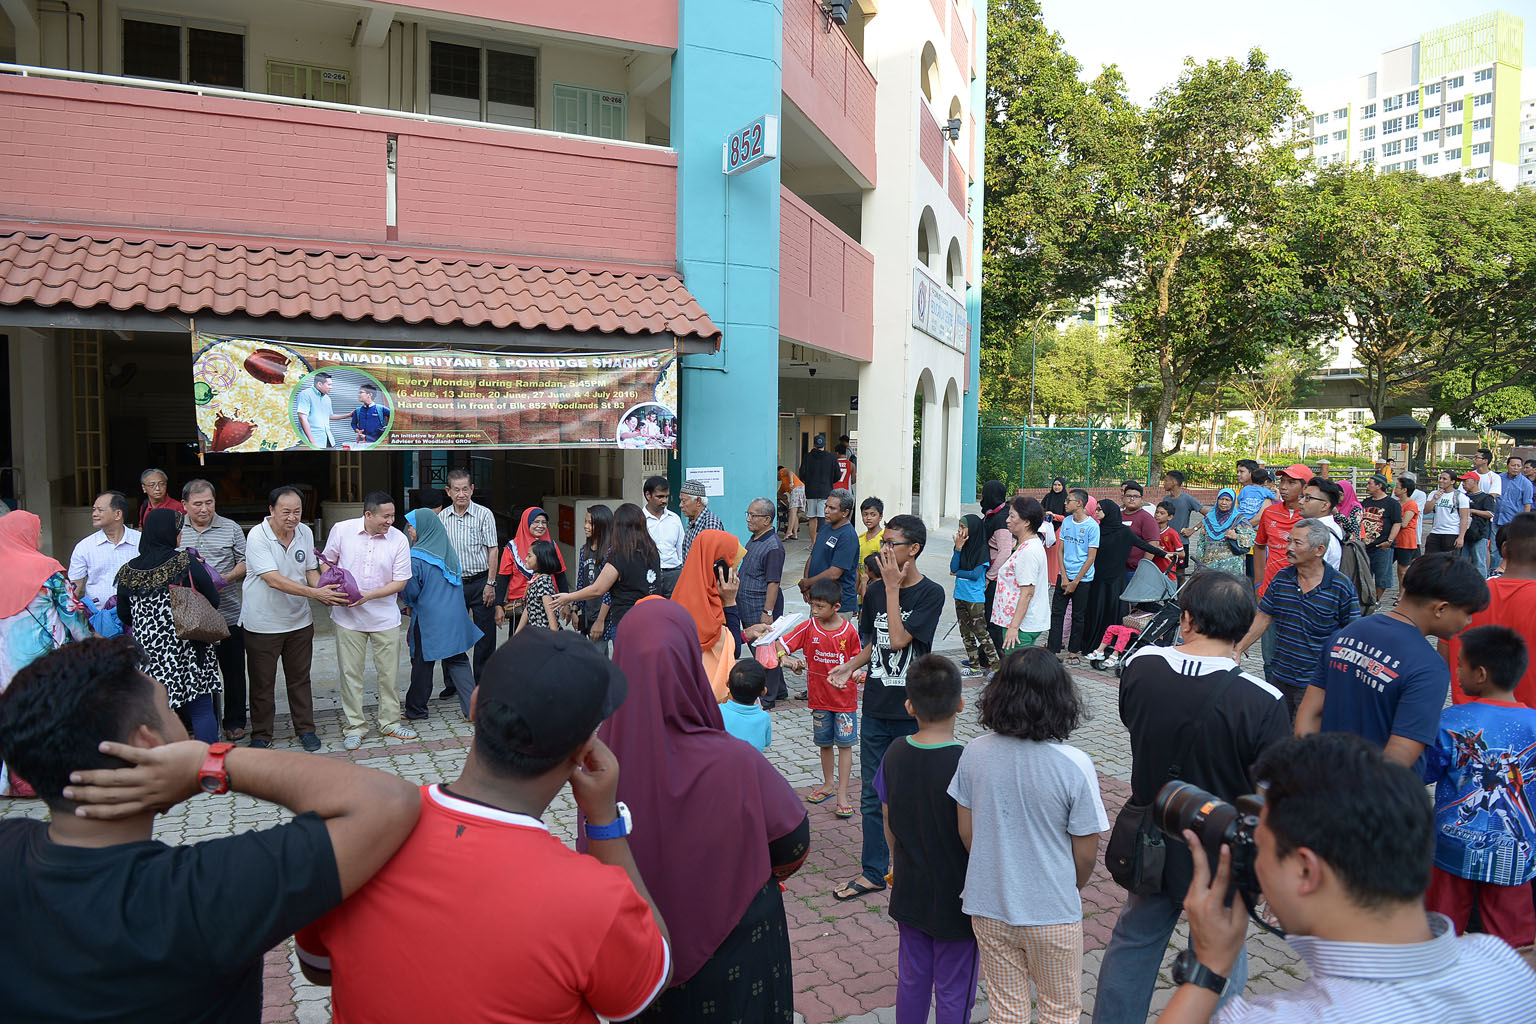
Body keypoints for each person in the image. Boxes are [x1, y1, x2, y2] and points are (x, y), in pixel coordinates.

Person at [0, 635, 421, 1022]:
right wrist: (210, 761)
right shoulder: (200, 893)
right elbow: (388, 801)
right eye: (169, 707)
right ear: (147, 744)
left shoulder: (9, 848)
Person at [295, 629, 673, 1023]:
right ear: (584, 753)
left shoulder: (351, 836)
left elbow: (317, 966)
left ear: (474, 705)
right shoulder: (595, 898)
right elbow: (646, 983)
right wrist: (604, 821)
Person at [1166, 733, 1536, 1024]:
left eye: (1260, 847)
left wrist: (1209, 969)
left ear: (1306, 871)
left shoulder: (1282, 1018)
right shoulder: (1502, 963)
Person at [589, 600, 809, 1023]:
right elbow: (793, 843)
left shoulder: (598, 768)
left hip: (643, 968)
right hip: (740, 956)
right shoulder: (736, 761)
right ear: (691, 663)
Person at [1091, 571, 1289, 1024]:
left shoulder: (1141, 666)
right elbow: (1271, 792)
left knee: (1133, 940)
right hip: (1222, 850)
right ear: (1244, 629)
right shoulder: (1264, 701)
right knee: (1220, 956)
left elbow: (1131, 724)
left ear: (1187, 619)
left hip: (1153, 835)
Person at [949, 648, 1108, 1024]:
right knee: (1060, 1011)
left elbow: (966, 832)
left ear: (998, 694)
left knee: (1006, 1012)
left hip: (988, 904)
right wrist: (1070, 884)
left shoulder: (974, 752)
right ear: (1061, 699)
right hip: (1052, 910)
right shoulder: (1075, 764)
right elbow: (1085, 853)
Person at [830, 515, 945, 902]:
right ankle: (874, 871)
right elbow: (877, 645)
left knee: (911, 796)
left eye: (891, 544)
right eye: (882, 545)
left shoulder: (931, 594)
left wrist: (893, 589)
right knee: (871, 795)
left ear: (913, 549)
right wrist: (850, 665)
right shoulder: (877, 592)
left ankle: (915, 868)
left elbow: (897, 640)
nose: (883, 551)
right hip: (878, 707)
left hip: (914, 713)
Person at [1296, 552, 1490, 767]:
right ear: (1441, 608)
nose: (1469, 621)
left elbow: (1309, 714)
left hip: (1321, 778)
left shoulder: (1348, 632)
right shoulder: (1429, 668)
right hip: (1373, 794)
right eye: (1467, 612)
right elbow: (1398, 758)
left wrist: (1311, 774)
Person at [873, 654, 976, 1024]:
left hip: (909, 886)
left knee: (913, 978)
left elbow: (887, 816)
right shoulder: (966, 762)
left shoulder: (894, 752)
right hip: (958, 894)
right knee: (955, 984)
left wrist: (895, 863)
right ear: (961, 704)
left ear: (909, 705)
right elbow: (971, 834)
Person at [1420, 625, 1535, 949]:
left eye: (1461, 664)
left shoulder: (1452, 721)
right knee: (1512, 946)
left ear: (1480, 674)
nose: (1455, 670)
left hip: (1451, 846)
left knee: (1440, 934)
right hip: (1514, 854)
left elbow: (1425, 772)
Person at [241, 486, 344, 752]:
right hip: (262, 624)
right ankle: (262, 733)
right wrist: (313, 592)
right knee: (262, 682)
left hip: (299, 622)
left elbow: (309, 568)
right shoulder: (257, 536)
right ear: (271, 510)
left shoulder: (305, 532)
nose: (292, 517)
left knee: (300, 679)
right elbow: (272, 579)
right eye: (285, 512)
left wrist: (324, 591)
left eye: (297, 511)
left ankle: (306, 729)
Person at [114, 508, 223, 744]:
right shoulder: (185, 562)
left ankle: (168, 766)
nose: (180, 535)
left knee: (159, 713)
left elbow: (124, 614)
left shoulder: (128, 572)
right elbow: (213, 599)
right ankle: (208, 765)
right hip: (190, 647)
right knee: (201, 708)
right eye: (178, 530)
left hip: (149, 654)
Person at [0, 510, 89, 796]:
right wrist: (89, 640)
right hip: (44, 658)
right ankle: (46, 776)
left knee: (14, 715)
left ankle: (17, 778)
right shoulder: (47, 569)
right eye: (37, 531)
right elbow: (72, 615)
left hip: (5, 660)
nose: (40, 536)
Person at [1235, 518, 1361, 721]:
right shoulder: (1282, 578)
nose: (1288, 548)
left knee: (1304, 740)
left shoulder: (1340, 586)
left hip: (1316, 684)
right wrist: (1238, 649)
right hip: (1280, 675)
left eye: (1297, 543)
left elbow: (1353, 637)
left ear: (1319, 550)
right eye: (1289, 541)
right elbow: (1264, 616)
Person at [323, 491, 415, 751]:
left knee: (389, 674)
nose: (390, 521)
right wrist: (331, 586)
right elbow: (327, 562)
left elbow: (401, 581)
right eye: (385, 516)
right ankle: (355, 727)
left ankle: (390, 723)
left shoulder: (398, 539)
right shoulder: (342, 530)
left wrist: (369, 596)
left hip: (385, 617)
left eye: (393, 515)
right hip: (347, 617)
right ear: (368, 514)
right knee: (351, 674)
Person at [778, 577, 862, 817]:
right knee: (824, 744)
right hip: (819, 700)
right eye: (812, 605)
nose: (814, 611)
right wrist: (789, 661)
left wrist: (855, 673)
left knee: (845, 747)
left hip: (845, 702)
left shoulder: (849, 631)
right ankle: (828, 785)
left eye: (820, 607)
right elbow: (780, 647)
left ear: (837, 607)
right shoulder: (808, 628)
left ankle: (843, 794)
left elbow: (857, 660)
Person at [178, 479, 248, 740]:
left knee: (232, 672)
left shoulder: (230, 528)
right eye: (197, 504)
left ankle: (235, 720)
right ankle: (196, 723)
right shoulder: (177, 530)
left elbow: (245, 562)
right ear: (185, 505)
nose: (204, 509)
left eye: (209, 503)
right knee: (194, 673)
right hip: (190, 619)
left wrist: (223, 580)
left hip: (227, 613)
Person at [400, 509, 482, 722]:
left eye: (412, 525)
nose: (409, 530)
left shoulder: (415, 557)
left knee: (422, 661)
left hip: (429, 619)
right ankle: (472, 709)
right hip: (454, 616)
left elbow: (411, 591)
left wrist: (407, 603)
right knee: (458, 660)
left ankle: (416, 709)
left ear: (424, 527)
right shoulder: (447, 551)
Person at [1447, 512, 1536, 706]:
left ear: (1504, 549)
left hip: (1469, 727)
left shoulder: (1465, 597)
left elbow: (1445, 653)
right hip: (1530, 729)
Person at [554, 502, 659, 646]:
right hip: (651, 618)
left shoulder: (619, 555)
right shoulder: (652, 551)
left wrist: (568, 597)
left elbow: (599, 589)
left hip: (627, 621)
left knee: (626, 666)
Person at [439, 467, 499, 685]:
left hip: (481, 581)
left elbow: (493, 549)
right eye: (456, 490)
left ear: (472, 489)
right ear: (448, 492)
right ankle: (453, 683)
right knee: (452, 633)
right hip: (453, 583)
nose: (461, 494)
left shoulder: (484, 514)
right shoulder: (442, 518)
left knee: (485, 635)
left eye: (465, 489)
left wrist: (491, 584)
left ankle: (483, 682)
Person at [670, 529, 745, 699]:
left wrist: (746, 634)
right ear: (719, 568)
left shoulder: (680, 597)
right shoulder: (712, 610)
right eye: (733, 565)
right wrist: (731, 602)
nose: (736, 573)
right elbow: (732, 650)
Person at [1085, 501, 1162, 663]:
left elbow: (1143, 545)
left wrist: (1163, 554)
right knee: (1096, 612)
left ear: (1109, 512)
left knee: (1113, 613)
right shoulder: (1097, 530)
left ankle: (1113, 648)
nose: (1097, 512)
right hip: (1098, 579)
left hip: (1115, 580)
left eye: (1100, 510)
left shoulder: (1124, 532)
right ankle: (1094, 645)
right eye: (1097, 509)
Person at [738, 497, 788, 703]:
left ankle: (769, 697)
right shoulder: (756, 537)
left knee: (765, 648)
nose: (748, 519)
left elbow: (773, 582)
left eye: (753, 515)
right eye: (748, 514)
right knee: (763, 647)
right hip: (748, 602)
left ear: (767, 519)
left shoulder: (773, 546)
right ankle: (781, 689)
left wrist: (767, 612)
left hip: (761, 605)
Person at [991, 497, 1050, 655]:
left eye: (1012, 516)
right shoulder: (1029, 545)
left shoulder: (1028, 551)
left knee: (1017, 674)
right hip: (1022, 623)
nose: (1007, 520)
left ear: (1027, 522)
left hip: (1021, 626)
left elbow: (1027, 592)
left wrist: (1014, 627)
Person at [67, 491, 140, 612]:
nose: (94, 514)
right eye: (94, 510)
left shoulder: (140, 542)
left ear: (117, 514)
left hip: (135, 617)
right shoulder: (85, 547)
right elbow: (74, 585)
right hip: (98, 619)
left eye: (100, 510)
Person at [1048, 488, 1099, 660]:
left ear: (1079, 503)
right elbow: (1060, 551)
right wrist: (1063, 575)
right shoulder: (1067, 522)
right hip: (1064, 576)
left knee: (1078, 615)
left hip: (1082, 579)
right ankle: (1053, 650)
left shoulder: (1092, 526)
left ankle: (1073, 652)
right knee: (1057, 613)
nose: (1065, 503)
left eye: (1068, 500)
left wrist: (1075, 581)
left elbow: (1091, 557)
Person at [496, 507, 568, 627]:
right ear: (526, 523)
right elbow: (503, 579)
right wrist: (498, 606)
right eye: (536, 522)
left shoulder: (551, 546)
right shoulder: (512, 547)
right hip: (519, 606)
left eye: (544, 522)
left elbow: (560, 576)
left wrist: (566, 604)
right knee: (520, 643)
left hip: (547, 605)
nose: (540, 526)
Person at [951, 514, 1000, 673]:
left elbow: (975, 574)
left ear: (973, 529)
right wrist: (958, 549)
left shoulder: (981, 549)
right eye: (959, 526)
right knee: (965, 633)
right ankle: (974, 667)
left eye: (963, 527)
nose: (960, 530)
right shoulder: (961, 547)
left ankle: (997, 668)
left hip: (974, 598)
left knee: (981, 632)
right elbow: (953, 567)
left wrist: (958, 573)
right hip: (959, 595)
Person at [798, 487, 859, 614]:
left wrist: (808, 582)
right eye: (826, 506)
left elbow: (834, 573)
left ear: (845, 512)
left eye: (832, 508)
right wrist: (807, 586)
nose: (826, 511)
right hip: (818, 600)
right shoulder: (825, 528)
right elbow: (812, 557)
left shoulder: (848, 536)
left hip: (837, 605)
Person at [1185, 488, 1252, 579]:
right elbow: (1201, 544)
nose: (1223, 502)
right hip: (1210, 569)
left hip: (1231, 571)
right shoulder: (1209, 519)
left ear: (1232, 502)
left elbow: (1252, 539)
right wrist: (1199, 566)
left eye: (1227, 500)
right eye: (1221, 499)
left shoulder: (1239, 520)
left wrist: (1236, 536)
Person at [1358, 473, 1402, 599]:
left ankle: (1377, 600)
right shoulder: (1366, 502)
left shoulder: (1392, 504)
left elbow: (1397, 523)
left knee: (1382, 577)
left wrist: (1389, 540)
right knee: (1364, 575)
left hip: (1382, 546)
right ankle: (1366, 599)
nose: (1367, 486)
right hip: (1365, 546)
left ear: (1379, 486)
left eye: (1370, 484)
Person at [642, 476, 685, 596]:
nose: (664, 501)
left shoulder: (674, 519)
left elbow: (681, 548)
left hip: (673, 573)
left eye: (666, 496)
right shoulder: (639, 519)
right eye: (660, 496)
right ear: (648, 496)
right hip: (648, 574)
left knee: (673, 611)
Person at [1491, 456, 1534, 576]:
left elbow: (1527, 505)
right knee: (1494, 549)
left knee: (1513, 549)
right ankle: (1494, 573)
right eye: (1513, 465)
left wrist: (1524, 523)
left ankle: (1511, 573)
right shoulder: (1499, 478)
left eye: (1518, 466)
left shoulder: (1526, 484)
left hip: (1513, 522)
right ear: (1507, 466)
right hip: (1496, 519)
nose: (1516, 468)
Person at [721, 659, 772, 752]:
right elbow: (766, 742)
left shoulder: (717, 712)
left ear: (727, 684)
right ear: (763, 691)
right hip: (753, 765)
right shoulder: (764, 718)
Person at [1295, 477, 1344, 568]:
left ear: (1325, 505)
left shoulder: (1320, 533)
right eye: (1302, 497)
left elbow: (1312, 573)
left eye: (1308, 498)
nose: (1301, 502)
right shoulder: (1332, 527)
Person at [799, 433, 839, 546]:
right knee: (823, 517)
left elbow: (802, 473)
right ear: (824, 444)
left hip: (811, 491)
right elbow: (838, 475)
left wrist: (809, 482)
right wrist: (829, 482)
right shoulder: (831, 457)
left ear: (814, 444)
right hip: (825, 490)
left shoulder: (807, 457)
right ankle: (821, 544)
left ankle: (813, 543)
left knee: (812, 517)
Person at [516, 540, 563, 632]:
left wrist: (555, 640)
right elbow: (528, 608)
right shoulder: (536, 578)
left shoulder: (544, 582)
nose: (526, 559)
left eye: (529, 556)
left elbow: (550, 613)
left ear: (541, 559)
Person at [1119, 481, 1162, 575]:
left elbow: (1153, 545)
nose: (1132, 499)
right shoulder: (1117, 516)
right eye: (1128, 496)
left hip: (1135, 571)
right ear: (1123, 498)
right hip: (1117, 569)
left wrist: (1142, 569)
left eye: (1136, 496)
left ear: (1142, 499)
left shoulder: (1147, 519)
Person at [1424, 468, 1471, 554]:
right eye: (1440, 478)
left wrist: (1461, 537)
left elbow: (1464, 518)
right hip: (1435, 532)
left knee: (1448, 563)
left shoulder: (1460, 497)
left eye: (1444, 479)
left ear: (1452, 481)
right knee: (1430, 561)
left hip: (1451, 533)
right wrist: (1434, 499)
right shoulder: (1433, 493)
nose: (1441, 481)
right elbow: (1426, 511)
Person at [1461, 471, 1497, 577]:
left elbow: (1490, 513)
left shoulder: (1486, 497)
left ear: (1475, 482)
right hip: (1464, 534)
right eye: (1462, 481)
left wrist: (1472, 511)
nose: (1463, 484)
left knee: (1479, 562)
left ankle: (1482, 586)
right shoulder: (1462, 497)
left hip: (1480, 534)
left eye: (1466, 481)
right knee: (1462, 561)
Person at [678, 479, 724, 562]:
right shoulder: (692, 521)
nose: (680, 505)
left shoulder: (710, 524)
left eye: (684, 501)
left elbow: (711, 560)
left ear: (698, 501)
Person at [295, 371, 345, 448]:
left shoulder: (327, 398)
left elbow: (330, 416)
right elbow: (302, 418)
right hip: (313, 442)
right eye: (329, 384)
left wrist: (348, 415)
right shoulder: (305, 394)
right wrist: (312, 442)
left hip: (329, 440)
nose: (331, 387)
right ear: (319, 384)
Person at [859, 495, 888, 605]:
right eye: (865, 514)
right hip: (863, 589)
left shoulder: (884, 539)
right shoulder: (860, 539)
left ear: (880, 516)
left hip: (878, 590)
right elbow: (858, 569)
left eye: (873, 515)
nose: (868, 518)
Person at [1393, 476, 1421, 585]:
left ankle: (1402, 595)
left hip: (1406, 540)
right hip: (1395, 539)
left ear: (1405, 490)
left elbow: (1404, 523)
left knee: (1402, 570)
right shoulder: (1396, 503)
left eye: (1397, 487)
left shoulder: (1411, 504)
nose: (1395, 489)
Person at [1152, 500, 1185, 579]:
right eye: (1156, 512)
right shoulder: (1150, 531)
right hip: (1152, 571)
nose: (1157, 515)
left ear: (1170, 517)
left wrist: (1166, 553)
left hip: (1168, 572)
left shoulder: (1172, 533)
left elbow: (1182, 554)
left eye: (1162, 513)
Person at [1234, 460, 1274, 524]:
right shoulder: (1234, 493)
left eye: (1241, 471)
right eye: (1237, 471)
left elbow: (1259, 518)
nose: (1238, 474)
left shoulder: (1263, 494)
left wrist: (1241, 527)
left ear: (1252, 473)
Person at [778, 466, 805, 540]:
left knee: (792, 510)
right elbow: (778, 494)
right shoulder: (783, 485)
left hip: (796, 487)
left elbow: (789, 471)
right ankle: (795, 534)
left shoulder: (781, 471)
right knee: (794, 512)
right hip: (800, 488)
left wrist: (791, 482)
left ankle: (789, 531)